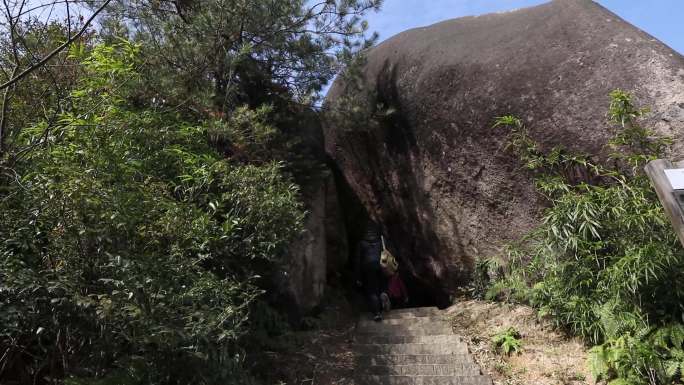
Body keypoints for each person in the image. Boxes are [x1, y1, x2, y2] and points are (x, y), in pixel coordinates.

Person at [355, 219, 384, 322]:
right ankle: (383, 294)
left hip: (368, 268)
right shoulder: (380, 241)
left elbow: (358, 261)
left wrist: (358, 277)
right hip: (380, 267)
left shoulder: (362, 243)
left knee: (372, 291)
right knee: (379, 287)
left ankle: (377, 313)